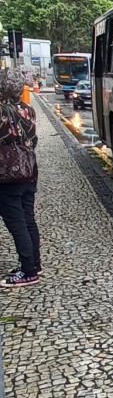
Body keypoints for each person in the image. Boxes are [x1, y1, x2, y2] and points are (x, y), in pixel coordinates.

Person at [0, 69, 41, 287]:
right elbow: (33, 140)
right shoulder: (29, 110)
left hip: (8, 174)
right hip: (29, 170)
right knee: (28, 219)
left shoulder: (1, 112)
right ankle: (35, 263)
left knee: (17, 224)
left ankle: (28, 271)